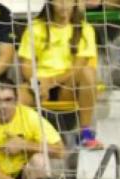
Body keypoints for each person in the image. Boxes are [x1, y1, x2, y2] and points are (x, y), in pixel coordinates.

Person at [18, 0, 103, 149]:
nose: (64, 4)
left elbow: (78, 67)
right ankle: (17, 138)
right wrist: (37, 83)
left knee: (88, 72)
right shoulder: (35, 27)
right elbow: (25, 64)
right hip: (39, 84)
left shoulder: (85, 29)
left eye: (69, 1)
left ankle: (85, 133)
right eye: (59, 0)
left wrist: (51, 81)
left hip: (67, 86)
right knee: (15, 95)